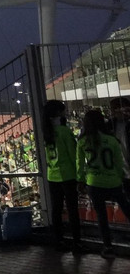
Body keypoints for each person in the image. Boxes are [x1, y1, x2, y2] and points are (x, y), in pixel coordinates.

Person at [78, 108, 130, 259]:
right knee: (127, 209)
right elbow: (119, 162)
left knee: (101, 216)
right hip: (113, 181)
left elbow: (79, 164)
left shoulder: (82, 141)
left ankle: (108, 247)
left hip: (94, 183)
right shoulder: (112, 140)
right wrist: (120, 177)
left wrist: (80, 180)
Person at [41, 99, 81, 250]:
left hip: (53, 175)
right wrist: (79, 176)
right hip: (67, 175)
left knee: (56, 209)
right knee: (72, 210)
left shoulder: (46, 132)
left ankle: (58, 240)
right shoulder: (64, 131)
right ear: (58, 113)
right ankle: (77, 242)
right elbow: (73, 155)